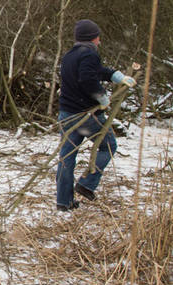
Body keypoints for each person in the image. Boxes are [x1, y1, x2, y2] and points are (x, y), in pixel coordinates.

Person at [55, 19, 136, 211]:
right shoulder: (89, 54)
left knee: (66, 158)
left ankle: (63, 202)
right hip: (85, 116)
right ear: (92, 38)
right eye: (98, 37)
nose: (99, 41)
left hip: (66, 114)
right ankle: (86, 184)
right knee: (108, 145)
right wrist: (102, 98)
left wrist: (117, 76)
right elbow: (87, 78)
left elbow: (95, 72)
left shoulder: (70, 56)